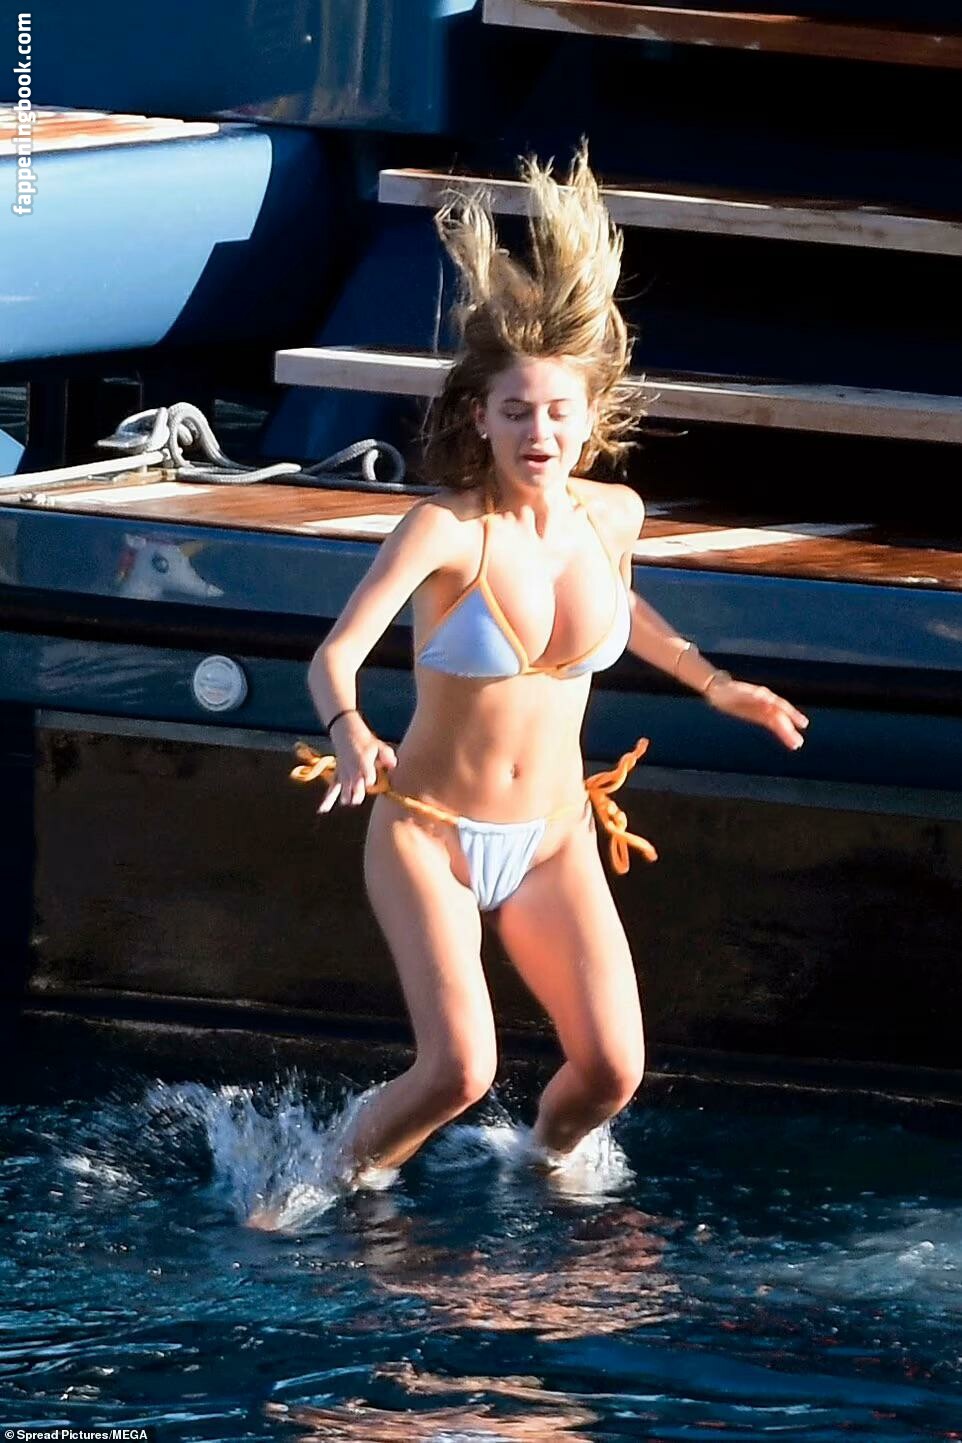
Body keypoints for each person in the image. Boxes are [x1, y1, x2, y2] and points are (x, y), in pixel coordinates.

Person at [293, 141, 809, 1187]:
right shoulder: (447, 530)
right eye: (517, 410)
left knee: (612, 1071)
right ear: (479, 417)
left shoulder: (612, 515)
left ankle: (540, 1165)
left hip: (553, 837)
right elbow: (334, 654)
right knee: (458, 1070)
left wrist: (713, 682)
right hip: (431, 834)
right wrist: (350, 730)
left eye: (558, 411)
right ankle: (322, 1183)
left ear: (588, 417)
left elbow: (620, 609)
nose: (539, 430)